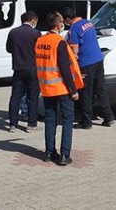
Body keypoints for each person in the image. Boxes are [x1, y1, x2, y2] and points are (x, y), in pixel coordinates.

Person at [36, 11, 84, 166]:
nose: (64, 23)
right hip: (62, 88)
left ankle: (49, 153)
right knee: (67, 120)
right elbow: (65, 69)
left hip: (46, 87)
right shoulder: (59, 42)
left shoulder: (40, 41)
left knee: (50, 120)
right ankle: (64, 155)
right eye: (62, 21)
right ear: (58, 24)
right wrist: (74, 90)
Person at [63, 7, 115, 129]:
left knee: (86, 92)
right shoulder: (88, 22)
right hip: (98, 59)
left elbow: (74, 50)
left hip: (86, 63)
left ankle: (86, 122)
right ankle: (109, 116)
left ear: (67, 19)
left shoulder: (73, 29)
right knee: (101, 89)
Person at [6, 11, 41, 132]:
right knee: (33, 97)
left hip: (18, 68)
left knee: (15, 97)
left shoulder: (13, 32)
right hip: (33, 69)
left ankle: (12, 124)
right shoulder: (36, 33)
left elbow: (8, 49)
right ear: (33, 21)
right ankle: (31, 124)